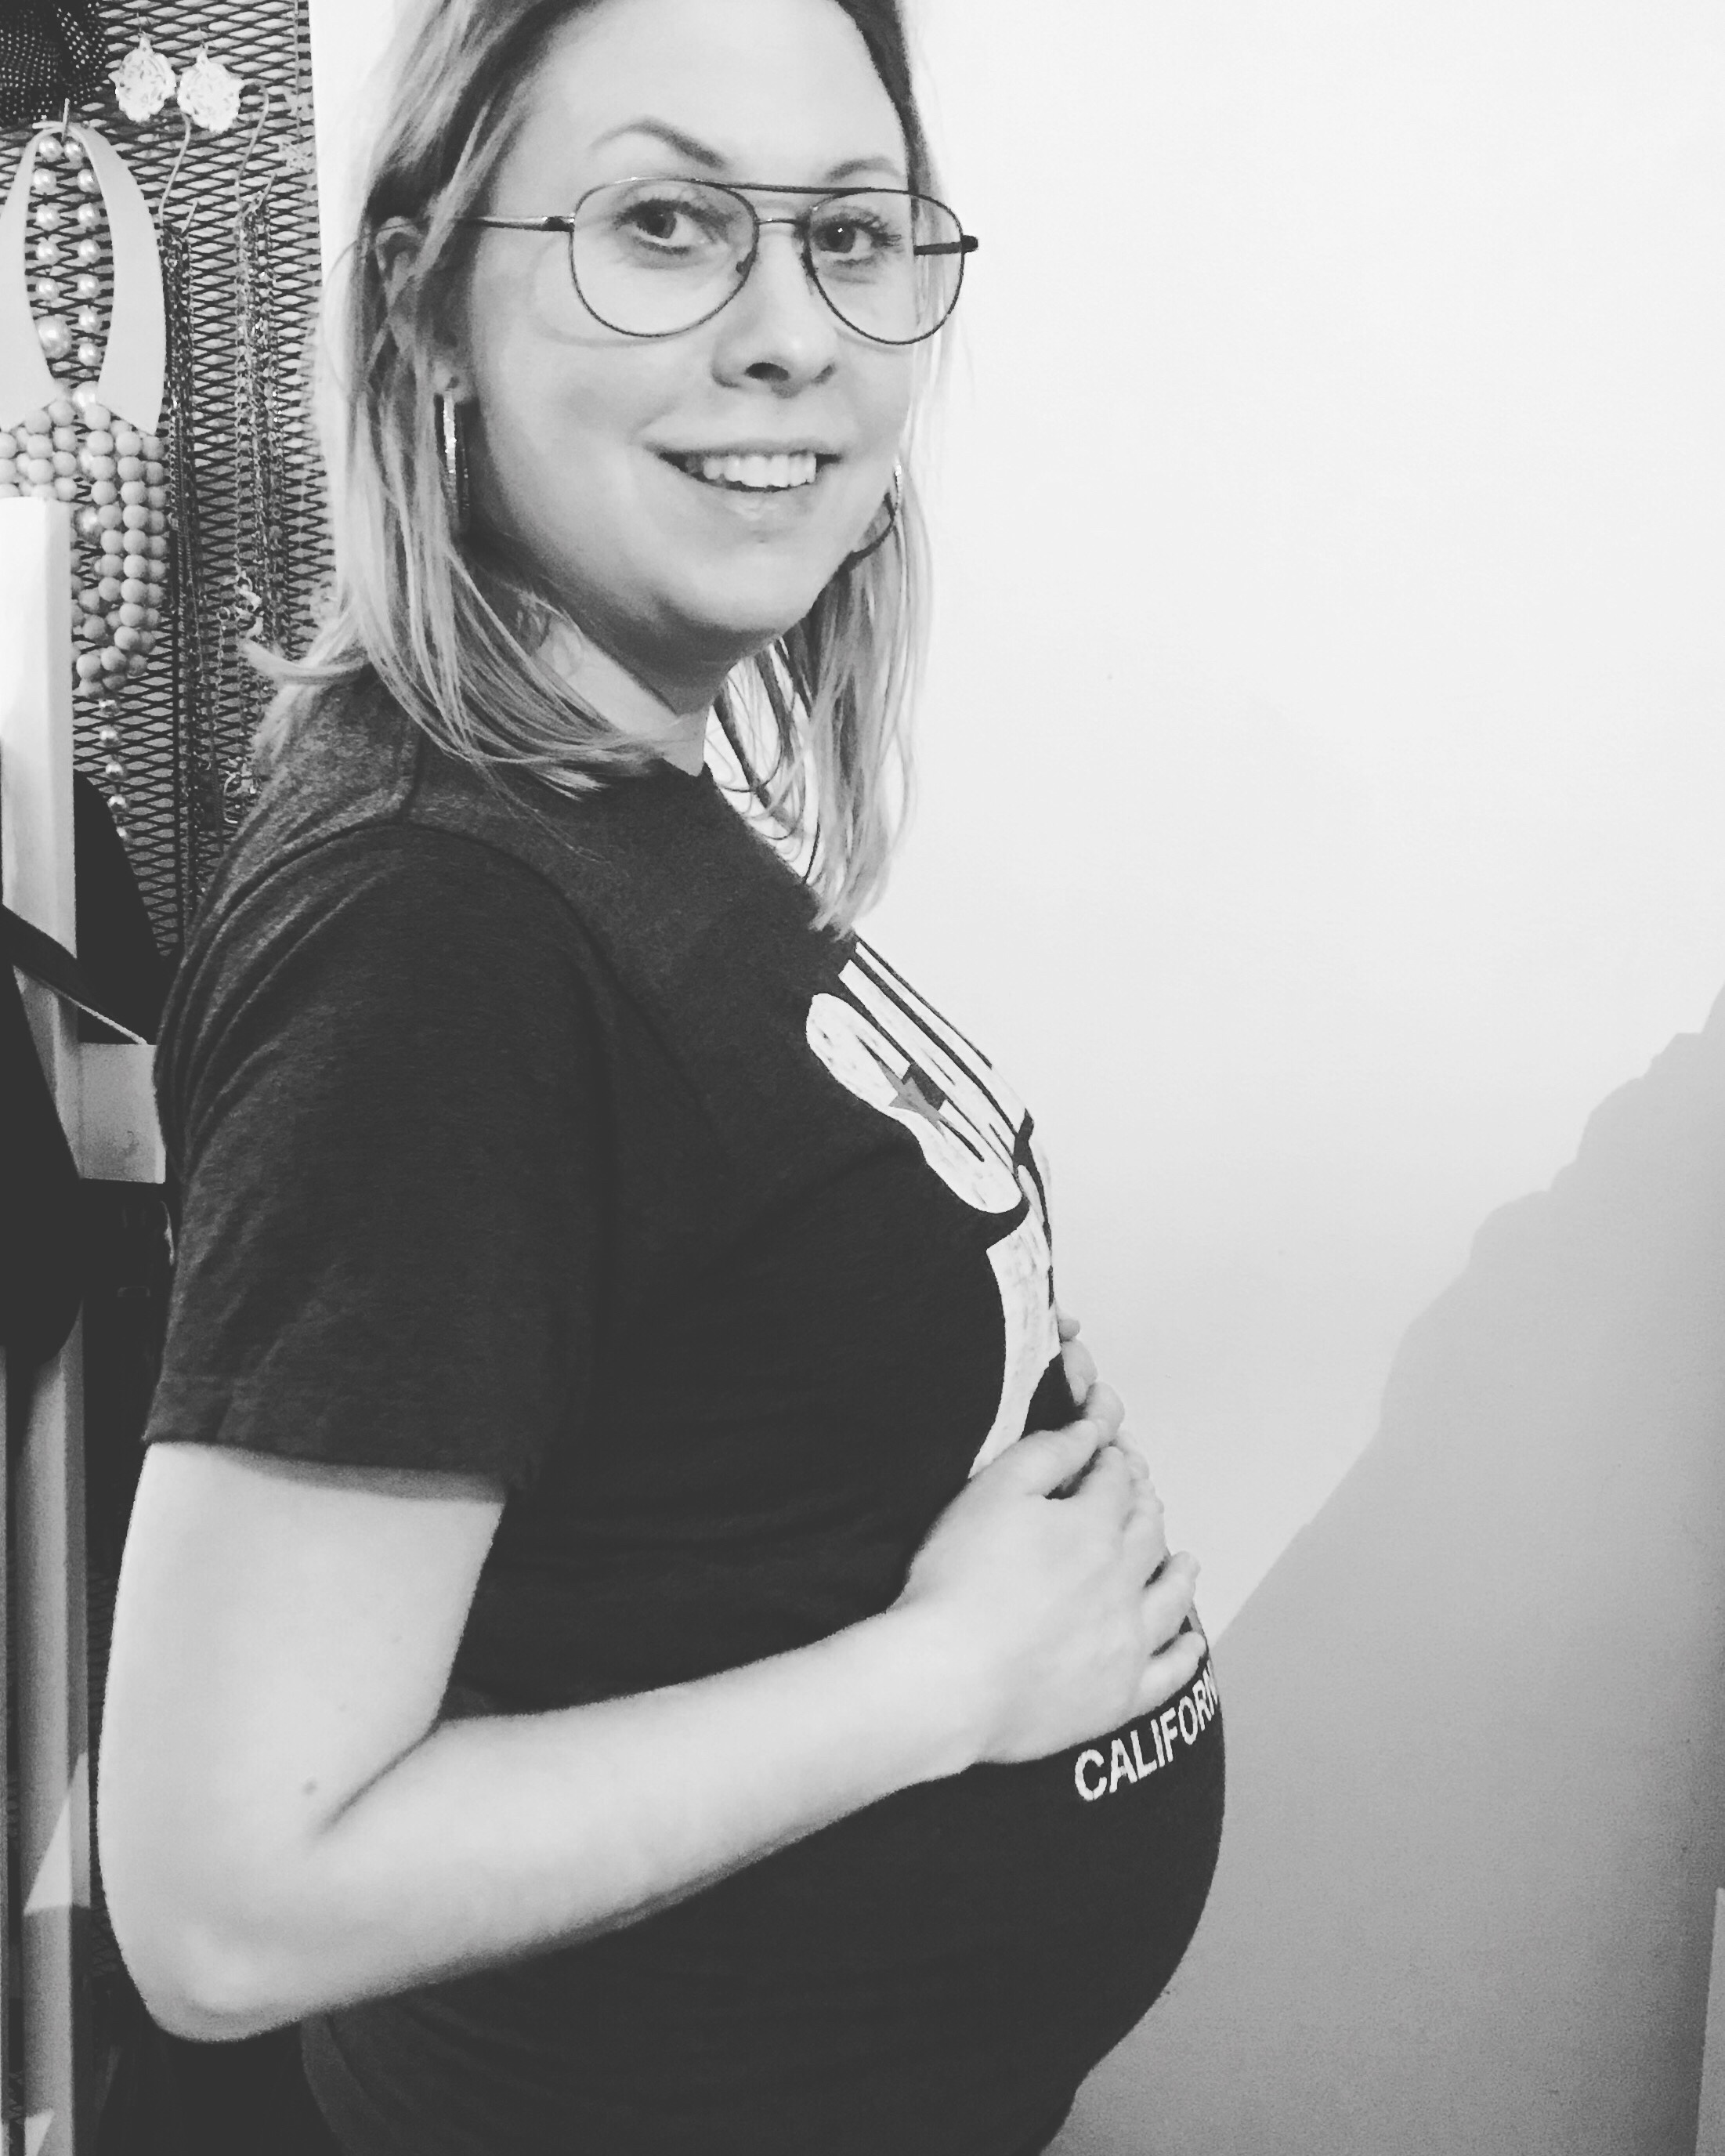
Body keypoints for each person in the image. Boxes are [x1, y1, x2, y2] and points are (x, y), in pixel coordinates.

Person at [96, 1, 1225, 2151]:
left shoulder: (600, 812)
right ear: (425, 305)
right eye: (666, 224)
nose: (793, 334)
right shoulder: (432, 929)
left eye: (852, 235)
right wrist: (945, 1683)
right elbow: (227, 1904)